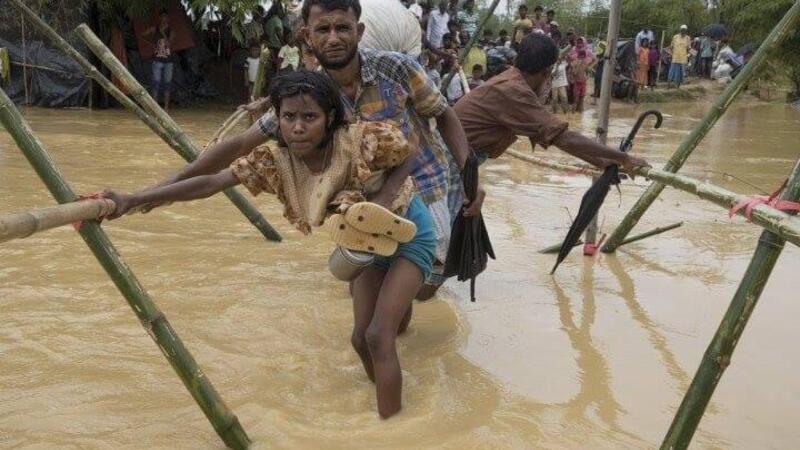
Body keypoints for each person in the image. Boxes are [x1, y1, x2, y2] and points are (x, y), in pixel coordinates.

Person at [101, 71, 435, 419]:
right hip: (363, 243)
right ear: (278, 119)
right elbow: (211, 183)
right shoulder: (273, 162)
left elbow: (410, 150)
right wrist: (135, 199)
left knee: (379, 336)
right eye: (289, 117)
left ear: (330, 117)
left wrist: (385, 195)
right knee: (360, 340)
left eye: (310, 117)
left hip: (409, 232)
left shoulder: (362, 139)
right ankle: (388, 398)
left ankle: (393, 427)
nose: (298, 128)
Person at [251, 0, 477, 298]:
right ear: (308, 36)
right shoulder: (315, 92)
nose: (333, 38)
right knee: (369, 286)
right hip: (368, 198)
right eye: (323, 30)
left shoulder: (396, 68)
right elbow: (253, 138)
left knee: (421, 288)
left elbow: (444, 114)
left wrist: (470, 176)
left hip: (424, 185)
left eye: (342, 28)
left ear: (358, 32)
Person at [453, 33, 649, 172]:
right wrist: (624, 157)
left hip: (459, 157)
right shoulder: (515, 92)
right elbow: (563, 138)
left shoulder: (511, 81)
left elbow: (554, 137)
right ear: (547, 72)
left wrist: (601, 162)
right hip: (451, 161)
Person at [144, 10, 175, 111]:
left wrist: (163, 33)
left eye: (165, 17)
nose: (164, 19)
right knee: (156, 83)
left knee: (167, 84)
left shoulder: (171, 31)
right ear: (159, 18)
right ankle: (155, 107)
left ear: (168, 19)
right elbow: (143, 35)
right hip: (157, 60)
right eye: (162, 17)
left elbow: (169, 44)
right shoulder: (154, 29)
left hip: (168, 61)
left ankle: (166, 107)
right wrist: (151, 45)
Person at [263, 1, 286, 71]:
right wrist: (284, 45)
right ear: (278, 11)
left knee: (272, 67)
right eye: (282, 10)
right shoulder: (277, 20)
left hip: (269, 47)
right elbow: (278, 32)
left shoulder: (269, 21)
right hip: (276, 47)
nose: (283, 12)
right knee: (278, 67)